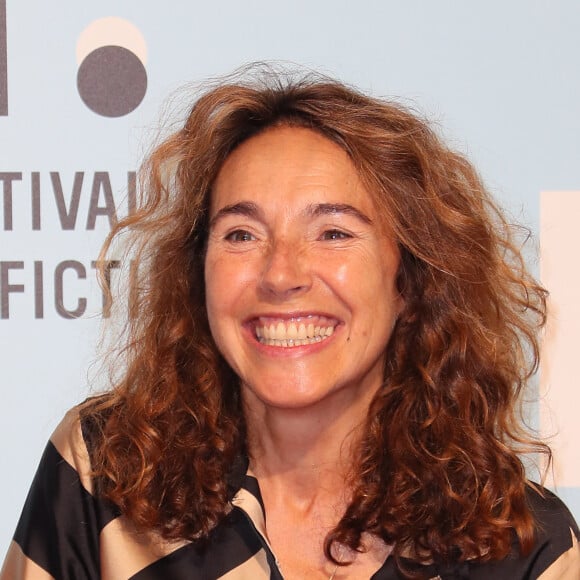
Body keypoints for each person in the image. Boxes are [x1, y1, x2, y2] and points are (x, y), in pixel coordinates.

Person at [2, 65, 579, 580]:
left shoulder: (526, 547)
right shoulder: (106, 471)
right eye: (242, 235)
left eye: (332, 232)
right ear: (196, 274)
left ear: (410, 279)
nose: (281, 274)